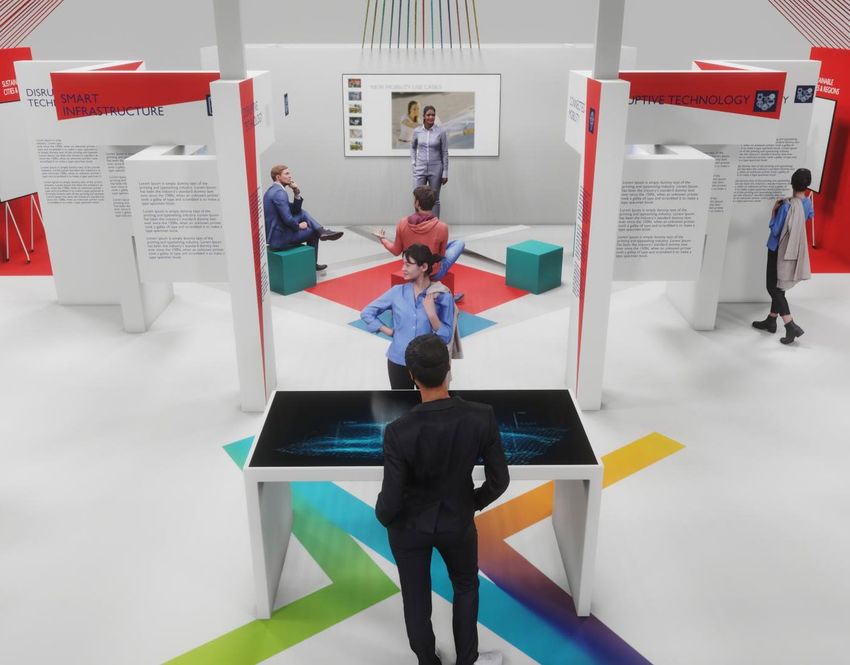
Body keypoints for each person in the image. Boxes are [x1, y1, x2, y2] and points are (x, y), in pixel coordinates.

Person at [376, 333, 509, 665]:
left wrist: (384, 517)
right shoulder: (482, 416)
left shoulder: (398, 431)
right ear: (449, 368)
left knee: (416, 599)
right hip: (457, 521)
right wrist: (472, 502)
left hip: (409, 528)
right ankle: (467, 660)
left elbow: (391, 499)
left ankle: (427, 660)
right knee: (466, 586)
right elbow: (500, 480)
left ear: (411, 375)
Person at [361, 244, 455, 389]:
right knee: (401, 402)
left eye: (408, 265)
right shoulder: (397, 292)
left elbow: (446, 336)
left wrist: (432, 315)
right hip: (398, 360)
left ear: (423, 267)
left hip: (428, 364)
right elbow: (367, 312)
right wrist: (389, 331)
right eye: (403, 264)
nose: (403, 269)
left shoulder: (443, 296)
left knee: (427, 403)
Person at [752, 168, 813, 344]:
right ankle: (771, 320)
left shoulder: (786, 205)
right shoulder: (807, 203)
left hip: (777, 249)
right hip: (793, 249)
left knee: (773, 288)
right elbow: (808, 217)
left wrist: (773, 213)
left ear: (792, 183)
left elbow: (776, 230)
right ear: (807, 185)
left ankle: (790, 325)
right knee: (780, 285)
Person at [373, 186, 465, 291]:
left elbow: (396, 251)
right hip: (433, 273)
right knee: (459, 243)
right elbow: (441, 256)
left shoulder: (402, 223)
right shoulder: (442, 227)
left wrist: (383, 239)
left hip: (412, 272)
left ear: (417, 203)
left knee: (447, 244)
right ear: (433, 204)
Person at [263, 164, 344, 272]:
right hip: (280, 238)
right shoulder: (279, 193)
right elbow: (288, 219)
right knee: (314, 233)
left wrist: (296, 191)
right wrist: (299, 226)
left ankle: (322, 231)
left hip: (276, 234)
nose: (290, 176)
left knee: (302, 212)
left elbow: (295, 210)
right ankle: (313, 260)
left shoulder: (272, 190)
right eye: (287, 174)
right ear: (278, 177)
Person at [411, 105, 449, 218]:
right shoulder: (417, 131)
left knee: (435, 199)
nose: (431, 117)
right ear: (423, 116)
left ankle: (435, 224)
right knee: (418, 198)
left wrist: (445, 172)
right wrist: (414, 163)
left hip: (436, 168)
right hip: (420, 168)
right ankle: (419, 224)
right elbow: (413, 147)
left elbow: (444, 152)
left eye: (433, 115)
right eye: (428, 115)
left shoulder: (441, 132)